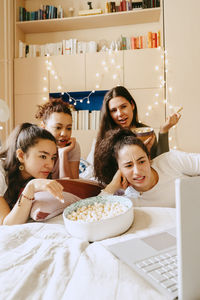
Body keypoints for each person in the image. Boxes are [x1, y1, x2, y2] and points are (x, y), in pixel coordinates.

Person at [94, 128, 200, 207]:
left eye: (141, 161)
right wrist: (111, 187)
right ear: (119, 170)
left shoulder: (170, 160)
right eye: (129, 165)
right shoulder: (128, 200)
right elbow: (95, 215)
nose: (137, 171)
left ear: (148, 158)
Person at [0, 123, 64, 225]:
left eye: (52, 158)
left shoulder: (33, 175)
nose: (50, 165)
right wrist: (31, 187)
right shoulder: (1, 172)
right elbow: (7, 224)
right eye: (43, 156)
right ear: (21, 155)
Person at [95, 86, 181, 159]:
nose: (120, 113)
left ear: (132, 105)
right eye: (114, 110)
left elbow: (161, 162)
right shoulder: (106, 138)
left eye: (123, 106)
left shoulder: (146, 132)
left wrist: (164, 130)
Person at [35, 98, 80, 179]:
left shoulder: (72, 146)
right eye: (58, 127)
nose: (64, 134)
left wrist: (63, 153)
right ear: (43, 127)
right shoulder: (34, 146)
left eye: (69, 128)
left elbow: (72, 185)